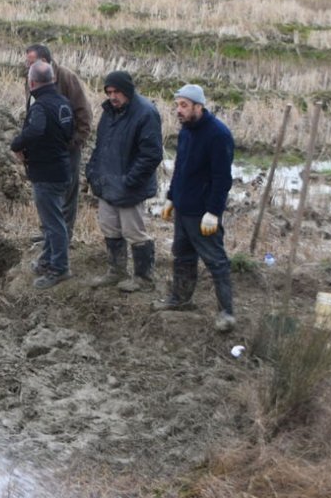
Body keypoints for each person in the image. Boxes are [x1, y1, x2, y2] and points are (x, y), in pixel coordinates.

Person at [154, 84, 238, 332]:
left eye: (183, 105)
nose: (178, 110)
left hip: (203, 214)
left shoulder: (218, 135)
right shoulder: (186, 131)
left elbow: (222, 178)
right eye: (177, 105)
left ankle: (226, 313)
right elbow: (181, 168)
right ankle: (180, 299)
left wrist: (213, 211)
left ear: (198, 107)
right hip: (183, 208)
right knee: (182, 255)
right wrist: (171, 197)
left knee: (216, 261)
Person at [85, 71, 163, 292]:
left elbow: (151, 155)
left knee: (134, 232)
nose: (112, 96)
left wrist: (130, 181)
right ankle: (116, 271)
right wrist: (92, 171)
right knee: (110, 228)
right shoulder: (109, 113)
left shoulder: (145, 113)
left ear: (127, 91)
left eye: (116, 91)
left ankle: (144, 279)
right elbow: (101, 146)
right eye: (109, 92)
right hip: (107, 182)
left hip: (130, 186)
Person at [11, 60, 75, 289]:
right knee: (52, 219)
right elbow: (68, 133)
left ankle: (59, 268)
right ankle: (47, 260)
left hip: (46, 173)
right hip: (61, 168)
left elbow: (36, 130)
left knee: (54, 222)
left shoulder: (40, 106)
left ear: (33, 82)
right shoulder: (63, 103)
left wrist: (17, 144)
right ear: (53, 79)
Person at [24, 44, 92, 242]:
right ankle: (48, 232)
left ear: (44, 61)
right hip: (44, 150)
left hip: (65, 147)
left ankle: (64, 236)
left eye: (31, 62)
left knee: (67, 191)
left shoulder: (67, 78)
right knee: (45, 193)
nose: (28, 66)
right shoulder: (31, 78)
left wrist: (73, 142)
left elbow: (84, 113)